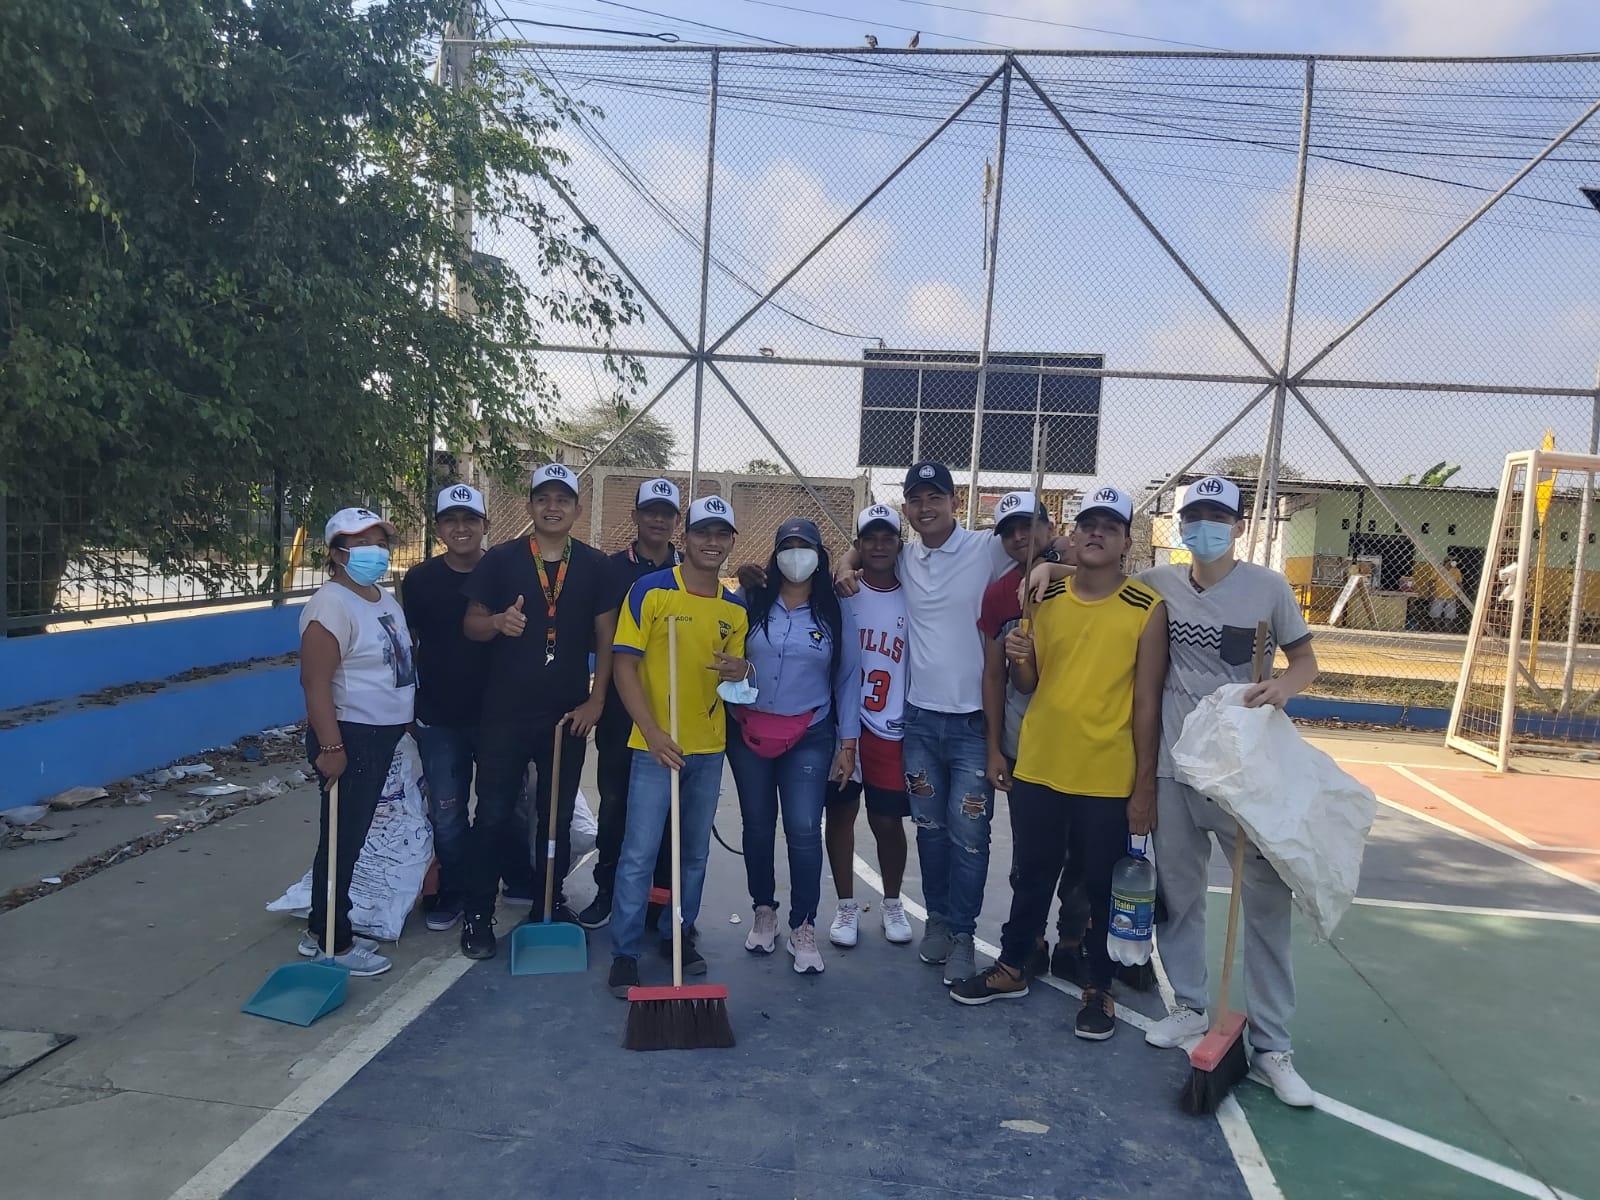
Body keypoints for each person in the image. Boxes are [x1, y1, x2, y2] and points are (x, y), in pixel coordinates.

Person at [951, 485, 1166, 1044]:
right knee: (1031, 875)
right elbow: (1029, 683)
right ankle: (1014, 964)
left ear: (1126, 542)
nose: (1097, 533)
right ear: (1073, 533)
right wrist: (1020, 660)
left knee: (1099, 887)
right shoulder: (1043, 598)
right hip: (1041, 765)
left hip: (1106, 773)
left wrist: (1143, 786)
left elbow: (1147, 703)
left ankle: (1099, 986)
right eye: (1088, 524)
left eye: (1110, 527)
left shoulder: (1145, 608)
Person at [1135, 475, 1319, 1105]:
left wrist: (1283, 687)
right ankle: (1190, 1006)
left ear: (1239, 526)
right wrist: (1049, 566)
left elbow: (1305, 660)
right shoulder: (1156, 584)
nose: (1204, 528)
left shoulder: (1268, 588)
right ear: (1180, 525)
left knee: (1265, 905)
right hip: (1173, 767)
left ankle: (1272, 1045)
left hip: (1241, 773)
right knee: (1179, 894)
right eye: (1194, 517)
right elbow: (1089, 574)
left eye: (1217, 518)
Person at [834, 462, 1019, 986]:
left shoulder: (986, 548)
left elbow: (1046, 547)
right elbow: (865, 551)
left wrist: (1051, 566)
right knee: (932, 831)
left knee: (970, 834)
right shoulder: (907, 556)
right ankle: (937, 918)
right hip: (917, 720)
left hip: (972, 724)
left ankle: (963, 934)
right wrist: (846, 559)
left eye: (935, 497)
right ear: (907, 509)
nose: (925, 507)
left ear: (955, 502)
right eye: (915, 499)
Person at [457, 462, 616, 960]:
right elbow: (471, 624)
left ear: (577, 509)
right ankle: (478, 915)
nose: (552, 507)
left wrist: (596, 700)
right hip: (504, 714)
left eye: (562, 499)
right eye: (543, 498)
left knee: (556, 815)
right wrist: (497, 622)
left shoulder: (594, 565)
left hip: (566, 717)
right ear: (530, 506)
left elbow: (608, 639)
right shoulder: (502, 560)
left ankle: (550, 901)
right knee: (492, 814)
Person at [607, 495, 751, 997]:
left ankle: (678, 934)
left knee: (693, 855)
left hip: (707, 749)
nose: (712, 542)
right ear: (684, 538)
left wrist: (743, 671)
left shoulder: (735, 609)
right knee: (639, 853)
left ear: (731, 542)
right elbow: (623, 666)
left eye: (721, 534)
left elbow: (736, 685)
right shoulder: (651, 591)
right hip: (654, 746)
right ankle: (624, 952)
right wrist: (651, 732)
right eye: (702, 532)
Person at [729, 518, 862, 974]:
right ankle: (763, 910)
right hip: (749, 731)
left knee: (804, 828)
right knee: (757, 825)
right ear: (775, 553)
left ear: (821, 557)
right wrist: (741, 581)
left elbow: (848, 678)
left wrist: (848, 745)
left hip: (811, 732)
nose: (796, 554)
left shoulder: (835, 610)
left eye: (805, 546)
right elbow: (722, 642)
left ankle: (803, 924)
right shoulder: (752, 599)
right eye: (787, 545)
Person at [975, 491, 1090, 984]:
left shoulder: (1084, 575)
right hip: (1026, 741)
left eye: (1028, 525)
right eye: (1009, 530)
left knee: (1083, 852)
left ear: (1050, 527)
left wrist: (1052, 567)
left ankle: (1073, 941)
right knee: (1031, 853)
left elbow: (1116, 579)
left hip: (1086, 740)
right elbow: (995, 675)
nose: (1020, 536)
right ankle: (1031, 942)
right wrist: (994, 747)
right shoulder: (1001, 594)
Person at [296, 507, 416, 976]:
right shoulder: (331, 605)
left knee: (352, 836)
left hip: (380, 736)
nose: (375, 552)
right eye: (361, 543)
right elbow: (315, 683)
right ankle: (334, 942)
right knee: (341, 841)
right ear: (336, 553)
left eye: (380, 543)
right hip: (350, 736)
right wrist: (331, 748)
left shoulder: (381, 598)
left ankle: (322, 928)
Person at [578, 478, 684, 931]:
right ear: (636, 516)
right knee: (616, 803)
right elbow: (600, 639)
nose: (658, 519)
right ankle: (608, 890)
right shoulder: (610, 570)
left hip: (674, 712)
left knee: (669, 813)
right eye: (650, 511)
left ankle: (660, 901)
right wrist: (598, 697)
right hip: (623, 711)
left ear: (677, 521)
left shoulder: (690, 569)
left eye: (667, 513)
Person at [824, 504, 914, 949]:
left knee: (887, 821)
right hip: (844, 721)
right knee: (840, 815)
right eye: (870, 538)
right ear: (857, 544)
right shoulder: (841, 591)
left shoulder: (913, 593)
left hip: (889, 726)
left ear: (900, 543)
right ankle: (845, 906)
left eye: (887, 538)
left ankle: (892, 901)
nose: (879, 546)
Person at [1429, 556, 1464, 626]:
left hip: (1451, 597)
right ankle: (1437, 628)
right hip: (1438, 595)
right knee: (1436, 615)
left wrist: (1459, 596)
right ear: (1446, 562)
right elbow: (1431, 581)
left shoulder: (1456, 571)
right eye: (1451, 561)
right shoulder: (1438, 569)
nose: (1453, 562)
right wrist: (1431, 593)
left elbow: (1459, 584)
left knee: (1449, 616)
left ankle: (1447, 628)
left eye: (1454, 561)